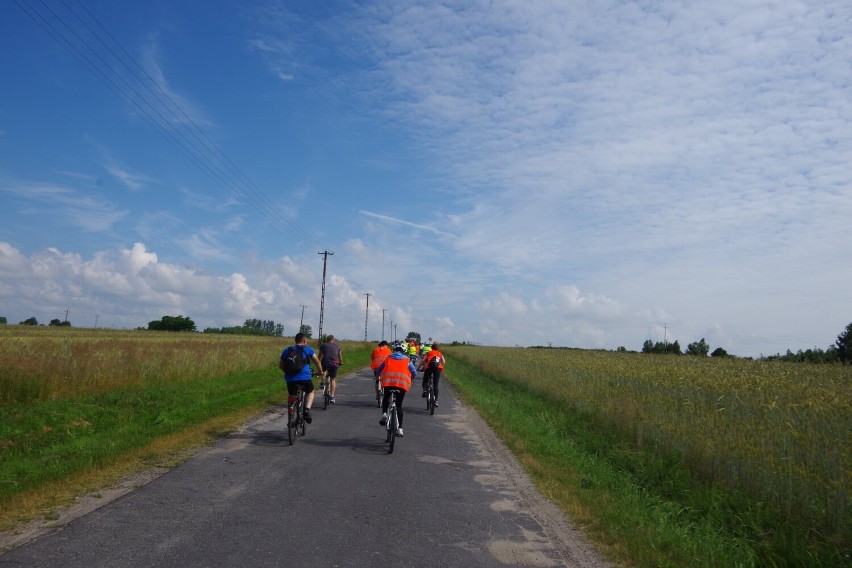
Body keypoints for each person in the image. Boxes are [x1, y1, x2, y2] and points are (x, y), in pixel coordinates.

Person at [279, 332, 323, 423]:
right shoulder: (309, 349)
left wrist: (288, 373)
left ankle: (291, 413)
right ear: (304, 341)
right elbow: (317, 362)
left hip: (290, 379)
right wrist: (320, 372)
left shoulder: (287, 350)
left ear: (295, 341)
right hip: (305, 378)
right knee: (310, 391)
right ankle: (306, 409)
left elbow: (281, 366)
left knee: (292, 396)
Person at [377, 344, 416, 437]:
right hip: (401, 384)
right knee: (399, 405)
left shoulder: (388, 358)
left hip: (388, 382)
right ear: (403, 352)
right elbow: (414, 371)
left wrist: (377, 376)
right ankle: (400, 429)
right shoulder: (407, 359)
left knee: (386, 398)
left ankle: (385, 414)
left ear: (394, 351)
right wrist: (412, 379)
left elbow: (379, 369)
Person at [319, 334, 343, 403]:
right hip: (334, 363)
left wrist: (318, 361)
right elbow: (339, 356)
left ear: (327, 340)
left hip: (325, 362)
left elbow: (320, 355)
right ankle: (332, 397)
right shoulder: (337, 346)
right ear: (333, 340)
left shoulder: (323, 345)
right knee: (333, 379)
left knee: (323, 370)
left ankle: (323, 383)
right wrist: (341, 362)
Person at [420, 342, 445, 407]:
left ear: (432, 347)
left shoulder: (429, 353)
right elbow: (444, 362)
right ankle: (436, 401)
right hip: (437, 368)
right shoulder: (440, 353)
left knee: (425, 380)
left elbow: (423, 361)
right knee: (435, 384)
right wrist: (441, 367)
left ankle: (425, 390)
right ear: (437, 348)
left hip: (429, 367)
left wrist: (418, 368)